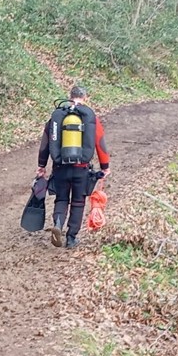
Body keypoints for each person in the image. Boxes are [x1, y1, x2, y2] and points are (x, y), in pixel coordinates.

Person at [36, 85, 110, 249]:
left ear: (70, 96)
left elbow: (45, 143)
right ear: (85, 98)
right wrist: (105, 167)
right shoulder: (89, 116)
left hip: (60, 167)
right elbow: (99, 142)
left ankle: (58, 224)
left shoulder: (57, 116)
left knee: (61, 199)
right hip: (81, 168)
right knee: (78, 201)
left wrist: (41, 166)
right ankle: (71, 238)